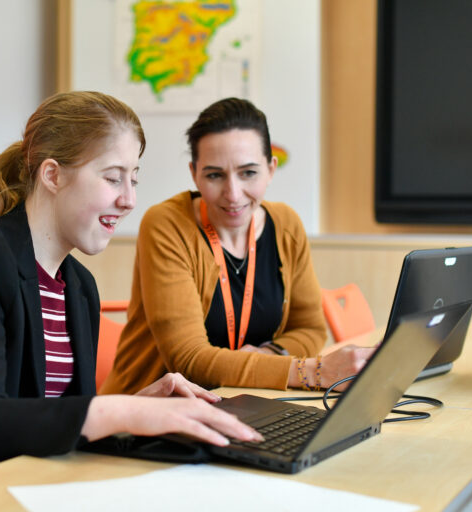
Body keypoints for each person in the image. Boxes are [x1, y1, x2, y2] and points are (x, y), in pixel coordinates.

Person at [0, 91, 261, 493]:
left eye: (133, 179)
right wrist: (121, 411)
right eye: (113, 177)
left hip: (37, 486)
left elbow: (62, 423)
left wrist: (141, 407)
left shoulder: (78, 286)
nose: (129, 199)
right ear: (52, 175)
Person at [100, 98, 374, 395]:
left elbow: (310, 328)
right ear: (194, 173)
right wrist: (310, 371)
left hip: (246, 399)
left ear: (271, 169)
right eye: (215, 175)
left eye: (248, 173)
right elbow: (189, 359)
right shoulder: (167, 225)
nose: (233, 194)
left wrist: (267, 357)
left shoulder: (286, 225)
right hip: (149, 412)